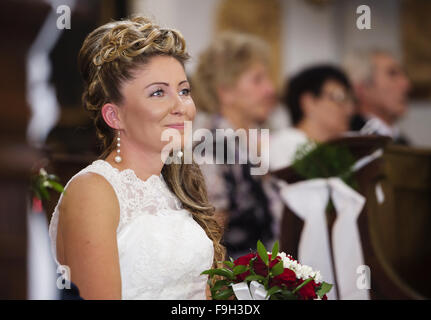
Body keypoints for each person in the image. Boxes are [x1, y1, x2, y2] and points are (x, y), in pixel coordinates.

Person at [48, 16, 224, 300]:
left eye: (184, 90)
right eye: (158, 92)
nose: (181, 106)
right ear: (114, 115)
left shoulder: (172, 185)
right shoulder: (93, 191)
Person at [192, 32, 282, 259]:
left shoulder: (245, 142)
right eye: (258, 79)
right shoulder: (212, 149)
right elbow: (209, 241)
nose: (270, 90)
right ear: (226, 91)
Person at [269, 65, 355, 172]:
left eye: (350, 100)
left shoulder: (337, 152)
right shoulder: (287, 145)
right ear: (308, 102)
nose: (349, 109)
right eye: (339, 98)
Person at [343, 49, 411, 144]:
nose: (406, 84)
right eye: (392, 74)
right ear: (361, 88)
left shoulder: (403, 142)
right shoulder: (350, 143)